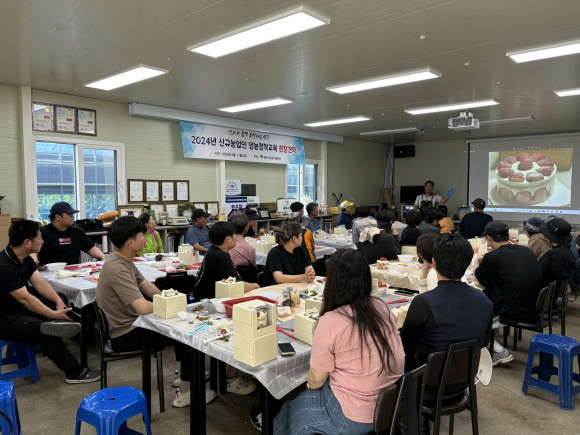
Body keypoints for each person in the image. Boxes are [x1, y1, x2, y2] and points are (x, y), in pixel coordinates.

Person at [270, 249, 405, 434]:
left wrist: (308, 389)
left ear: (332, 282)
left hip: (354, 415)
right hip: (393, 402)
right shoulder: (381, 307)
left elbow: (315, 380)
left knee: (290, 409)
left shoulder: (331, 320)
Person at [96, 216, 207, 406]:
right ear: (130, 243)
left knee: (182, 321)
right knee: (187, 332)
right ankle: (187, 392)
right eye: (142, 235)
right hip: (125, 334)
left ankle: (183, 375)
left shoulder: (124, 261)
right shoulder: (117, 268)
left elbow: (148, 288)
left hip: (134, 325)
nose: (145, 238)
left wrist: (169, 297)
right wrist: (174, 303)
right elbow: (143, 307)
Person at [0, 220, 100, 384]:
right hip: (6, 319)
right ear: (27, 243)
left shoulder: (25, 258)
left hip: (20, 309)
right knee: (48, 332)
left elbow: (39, 283)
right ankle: (75, 372)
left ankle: (57, 327)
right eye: (39, 237)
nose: (43, 241)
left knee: (58, 297)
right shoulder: (4, 265)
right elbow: (26, 299)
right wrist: (52, 314)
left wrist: (58, 302)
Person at [400, 233, 493, 374]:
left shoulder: (423, 302)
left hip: (425, 380)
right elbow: (484, 342)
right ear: (468, 263)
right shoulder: (485, 300)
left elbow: (405, 348)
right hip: (465, 375)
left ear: (434, 262)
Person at [473, 221, 541, 366]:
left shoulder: (493, 257)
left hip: (513, 311)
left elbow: (478, 279)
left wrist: (477, 261)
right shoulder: (527, 251)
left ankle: (498, 351)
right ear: (508, 235)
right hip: (532, 306)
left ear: (488, 239)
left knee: (470, 317)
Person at [195, 222, 260, 300]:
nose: (236, 238)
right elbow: (238, 286)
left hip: (209, 297)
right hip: (209, 301)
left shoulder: (214, 250)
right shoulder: (220, 256)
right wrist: (255, 285)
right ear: (228, 239)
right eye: (234, 235)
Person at [37, 201, 105, 266]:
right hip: (49, 271)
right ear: (58, 217)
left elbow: (90, 248)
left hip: (74, 270)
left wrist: (103, 256)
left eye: (72, 214)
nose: (72, 216)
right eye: (69, 214)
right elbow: (33, 253)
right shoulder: (41, 233)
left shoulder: (77, 232)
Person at [538, 218, 576, 291]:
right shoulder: (568, 252)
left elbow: (538, 274)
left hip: (544, 293)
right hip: (556, 292)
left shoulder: (553, 255)